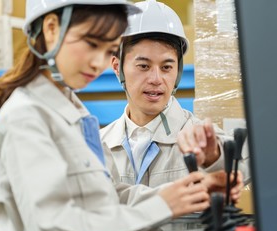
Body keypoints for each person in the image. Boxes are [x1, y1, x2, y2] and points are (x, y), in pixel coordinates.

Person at [0, 0, 242, 231]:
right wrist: (163, 206)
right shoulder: (26, 117)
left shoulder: (74, 114)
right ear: (52, 28)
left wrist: (186, 193)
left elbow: (106, 197)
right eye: (92, 44)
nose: (98, 63)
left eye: (108, 49)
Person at [100, 0, 250, 187]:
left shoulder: (200, 139)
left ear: (178, 72)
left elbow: (244, 169)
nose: (156, 79)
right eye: (144, 66)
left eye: (166, 67)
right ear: (117, 67)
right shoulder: (100, 144)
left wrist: (213, 158)